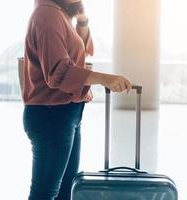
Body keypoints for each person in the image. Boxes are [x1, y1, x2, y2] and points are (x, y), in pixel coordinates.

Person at [22, 0, 132, 199]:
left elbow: (83, 50)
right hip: (51, 115)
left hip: (65, 112)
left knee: (65, 191)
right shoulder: (47, 15)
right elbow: (59, 72)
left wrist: (82, 20)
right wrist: (106, 79)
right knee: (45, 194)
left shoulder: (60, 14)